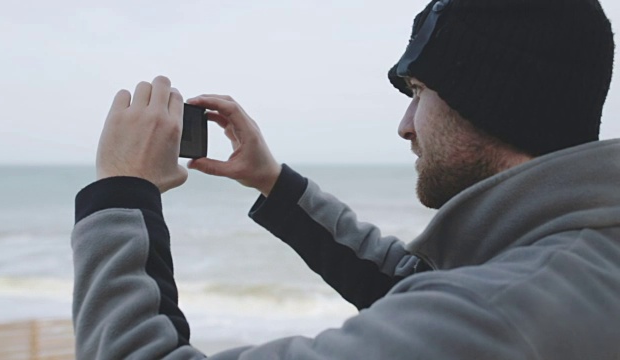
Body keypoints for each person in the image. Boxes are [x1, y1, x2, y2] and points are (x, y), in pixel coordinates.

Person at [71, 0, 620, 358]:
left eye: (420, 93)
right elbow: (412, 282)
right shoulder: (576, 258)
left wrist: (120, 192)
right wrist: (274, 182)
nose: (405, 126)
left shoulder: (496, 314)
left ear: (493, 101)